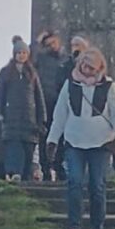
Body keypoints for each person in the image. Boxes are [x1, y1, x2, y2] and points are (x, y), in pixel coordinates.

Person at [47, 45, 115, 229]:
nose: (86, 70)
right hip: (74, 142)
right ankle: (74, 228)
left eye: (91, 68)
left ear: (99, 68)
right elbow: (60, 115)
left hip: (101, 144)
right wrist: (52, 140)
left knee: (97, 186)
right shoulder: (70, 84)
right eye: (84, 66)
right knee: (74, 182)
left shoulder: (109, 86)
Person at [0, 36, 47, 182]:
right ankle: (14, 173)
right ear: (14, 54)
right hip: (12, 117)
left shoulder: (32, 73)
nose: (21, 55)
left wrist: (42, 118)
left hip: (29, 119)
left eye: (24, 53)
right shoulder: (5, 72)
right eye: (19, 53)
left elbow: (39, 97)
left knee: (28, 149)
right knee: (13, 147)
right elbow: (0, 93)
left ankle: (24, 175)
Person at [34, 30, 69, 180]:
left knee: (61, 136)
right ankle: (46, 168)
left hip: (60, 102)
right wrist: (38, 42)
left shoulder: (65, 60)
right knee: (44, 136)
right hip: (44, 102)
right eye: (49, 44)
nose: (52, 46)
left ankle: (58, 165)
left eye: (54, 42)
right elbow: (29, 57)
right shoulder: (40, 58)